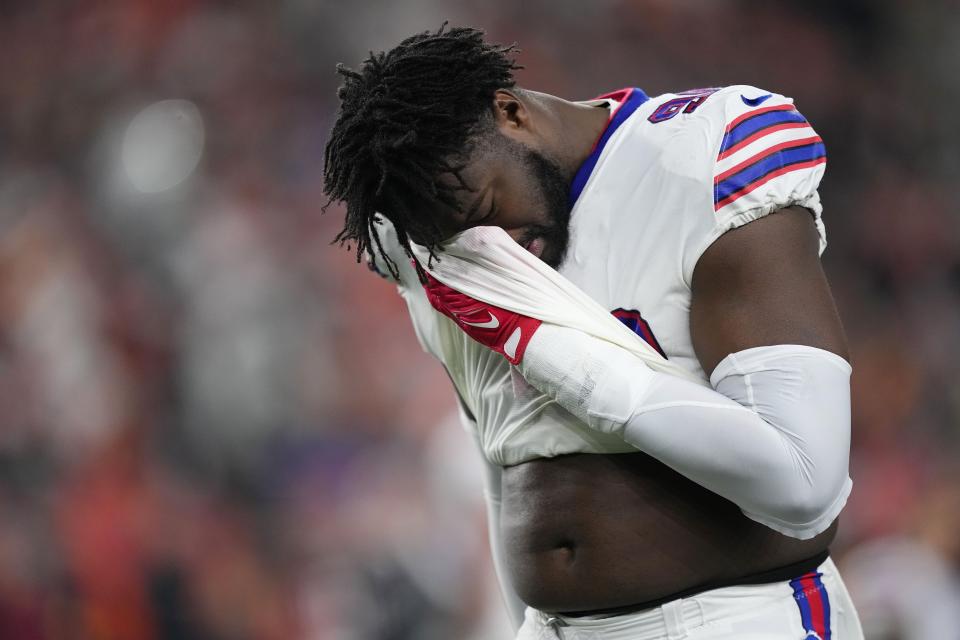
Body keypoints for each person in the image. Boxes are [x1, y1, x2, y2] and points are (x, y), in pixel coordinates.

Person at [323, 25, 864, 639]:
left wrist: (555, 353)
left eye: (480, 211)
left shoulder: (698, 153)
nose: (489, 248)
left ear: (511, 113)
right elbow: (501, 454)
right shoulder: (434, 244)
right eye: (453, 239)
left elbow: (804, 484)